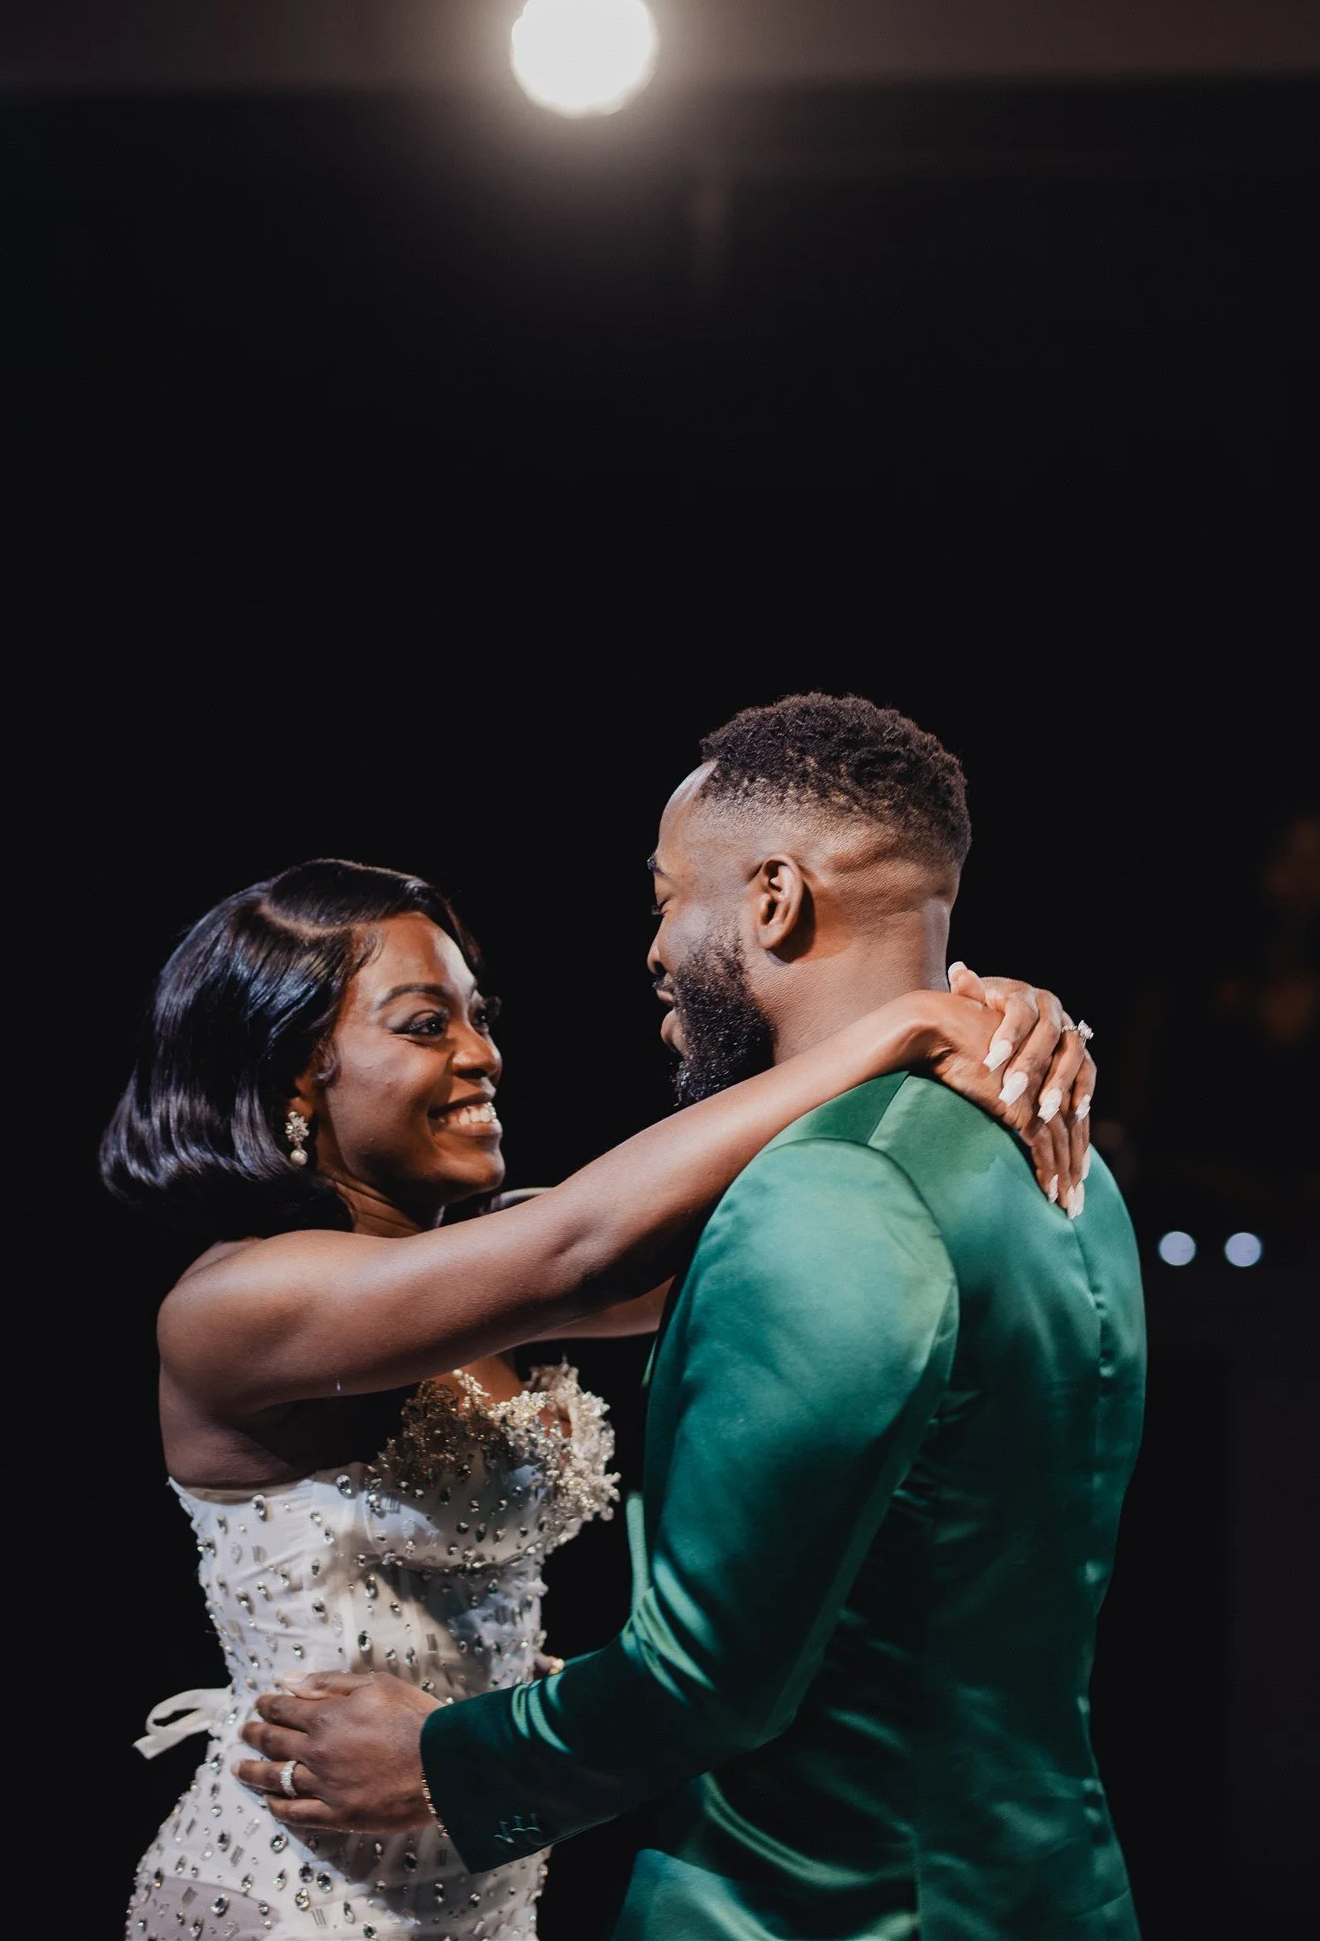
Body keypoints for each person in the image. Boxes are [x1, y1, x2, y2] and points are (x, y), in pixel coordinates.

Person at [237, 694, 1139, 1941]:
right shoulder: (1061, 1162)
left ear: (771, 899)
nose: (654, 948)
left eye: (666, 895)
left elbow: (709, 1681)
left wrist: (451, 1755)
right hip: (1038, 1886)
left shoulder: (825, 1190)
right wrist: (928, 1014)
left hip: (820, 1907)